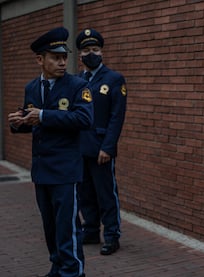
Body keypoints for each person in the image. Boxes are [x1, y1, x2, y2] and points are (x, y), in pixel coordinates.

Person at [8, 27, 93, 277]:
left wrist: (44, 115)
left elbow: (84, 119)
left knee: (67, 227)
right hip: (42, 170)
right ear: (40, 59)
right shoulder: (32, 87)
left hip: (66, 170)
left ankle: (73, 272)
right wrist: (19, 122)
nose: (62, 62)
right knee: (50, 227)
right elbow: (35, 121)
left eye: (64, 57)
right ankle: (57, 267)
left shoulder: (78, 86)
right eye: (55, 57)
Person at [75, 28, 127, 255]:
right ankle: (91, 230)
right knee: (84, 191)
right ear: (80, 55)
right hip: (80, 146)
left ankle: (112, 235)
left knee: (106, 193)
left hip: (101, 147)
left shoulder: (114, 79)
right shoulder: (76, 80)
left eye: (95, 49)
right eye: (86, 50)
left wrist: (108, 146)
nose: (91, 54)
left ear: (102, 53)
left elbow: (117, 117)